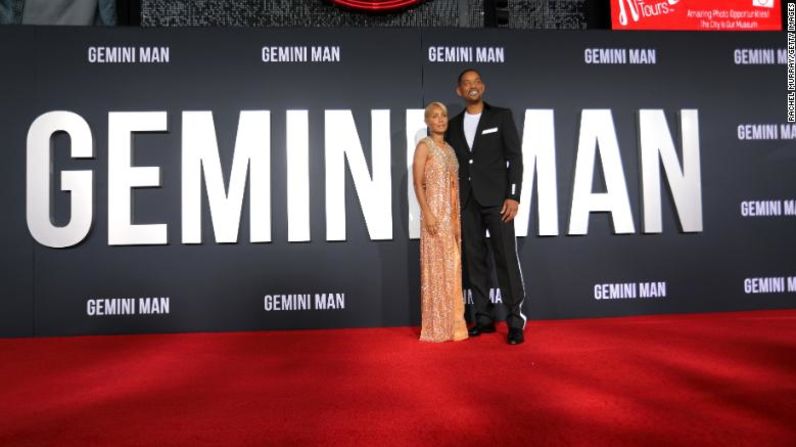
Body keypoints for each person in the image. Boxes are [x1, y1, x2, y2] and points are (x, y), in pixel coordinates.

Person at [445, 68, 526, 345]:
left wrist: (513, 195)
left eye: (476, 82)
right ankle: (482, 317)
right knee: (474, 260)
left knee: (505, 258)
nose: (472, 86)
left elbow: (515, 158)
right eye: (466, 83)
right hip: (467, 202)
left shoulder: (501, 116)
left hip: (498, 201)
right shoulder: (453, 125)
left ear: (483, 86)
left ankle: (515, 320)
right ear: (459, 91)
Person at [412, 101, 468, 343]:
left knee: (453, 267)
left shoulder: (451, 150)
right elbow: (418, 183)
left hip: (451, 216)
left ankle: (454, 326)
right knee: (437, 271)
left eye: (443, 115)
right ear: (427, 121)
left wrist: (455, 220)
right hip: (434, 217)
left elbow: (455, 187)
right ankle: (437, 326)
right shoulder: (424, 146)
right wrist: (428, 213)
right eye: (434, 116)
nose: (440, 120)